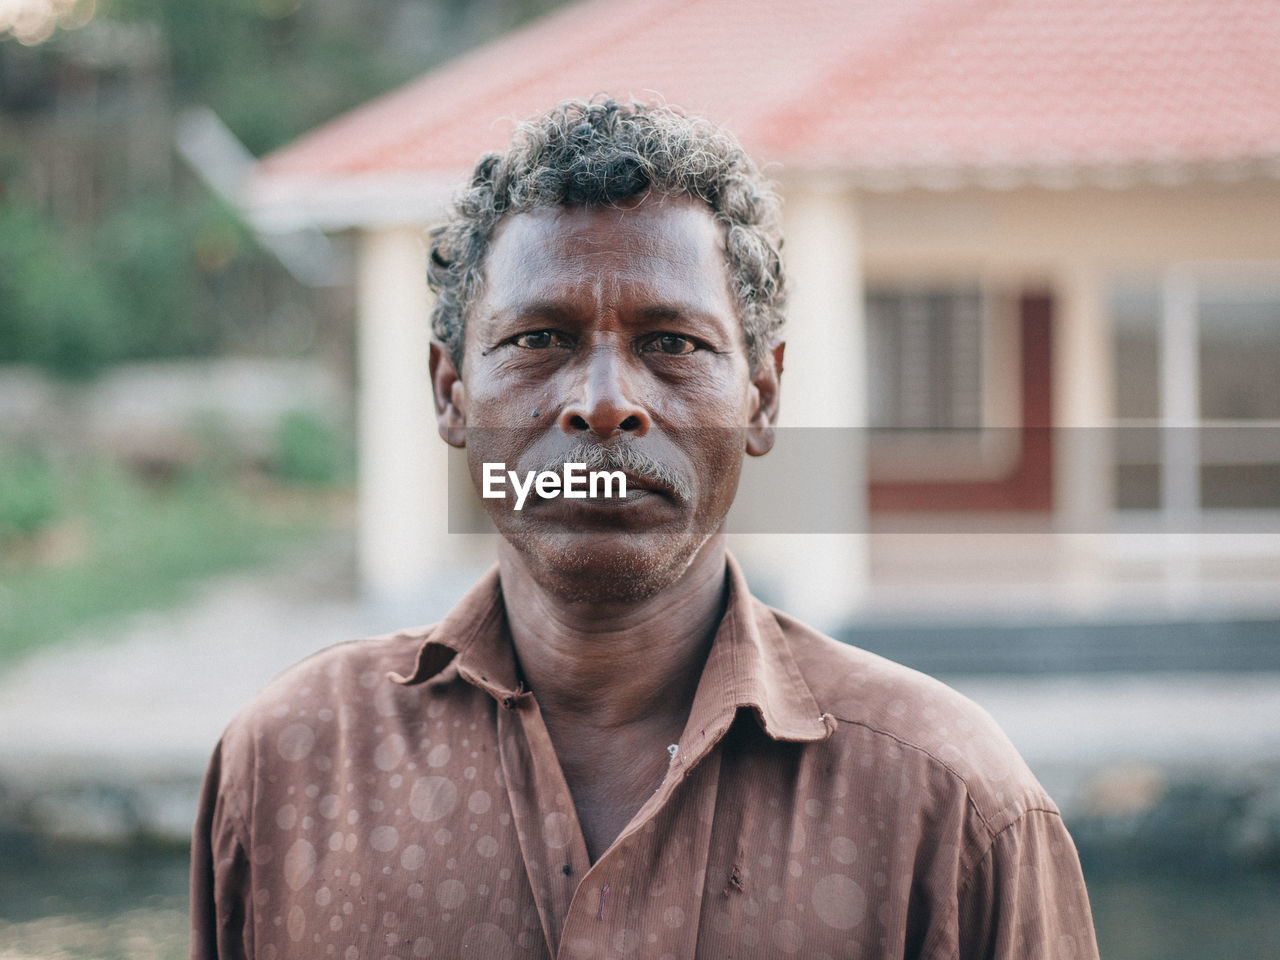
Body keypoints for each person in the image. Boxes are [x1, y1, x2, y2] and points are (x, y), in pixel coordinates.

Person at [190, 97, 1098, 959]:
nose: (605, 405)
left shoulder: (951, 805)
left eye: (672, 343)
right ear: (450, 392)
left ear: (763, 396)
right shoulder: (289, 767)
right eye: (538, 338)